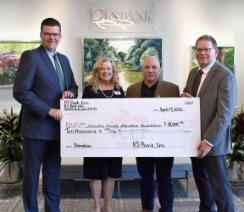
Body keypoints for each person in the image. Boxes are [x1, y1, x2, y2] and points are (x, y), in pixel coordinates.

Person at [13, 18, 78, 212]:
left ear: (60, 36)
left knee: (52, 175)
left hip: (58, 130)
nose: (52, 38)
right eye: (48, 33)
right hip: (36, 129)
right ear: (41, 35)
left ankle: (52, 209)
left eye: (55, 34)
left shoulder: (64, 60)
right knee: (32, 177)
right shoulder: (31, 57)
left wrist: (70, 94)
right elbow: (21, 92)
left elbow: (73, 86)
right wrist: (48, 110)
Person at [182, 35, 237, 212]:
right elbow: (188, 97)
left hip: (213, 143)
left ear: (216, 52)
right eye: (199, 49)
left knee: (219, 188)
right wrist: (183, 98)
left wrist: (209, 141)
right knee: (202, 186)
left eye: (206, 49)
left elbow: (225, 114)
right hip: (194, 141)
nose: (202, 53)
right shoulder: (193, 73)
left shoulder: (225, 76)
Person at [126, 56, 180, 212]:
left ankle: (167, 208)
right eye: (147, 67)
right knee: (145, 179)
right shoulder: (132, 90)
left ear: (160, 69)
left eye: (154, 67)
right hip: (141, 142)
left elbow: (178, 115)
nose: (150, 70)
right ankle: (146, 207)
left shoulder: (172, 89)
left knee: (165, 179)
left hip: (164, 143)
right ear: (142, 69)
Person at [82, 56, 125, 212]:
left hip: (114, 139)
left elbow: (124, 113)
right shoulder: (89, 89)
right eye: (102, 68)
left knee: (111, 174)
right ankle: (97, 207)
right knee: (96, 173)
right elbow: (83, 114)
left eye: (109, 68)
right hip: (95, 140)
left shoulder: (119, 89)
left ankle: (107, 206)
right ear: (97, 71)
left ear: (113, 71)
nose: (106, 71)